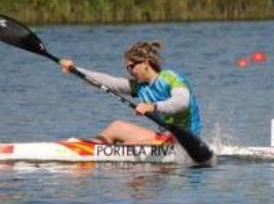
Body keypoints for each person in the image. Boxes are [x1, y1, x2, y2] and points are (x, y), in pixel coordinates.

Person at [59, 41, 202, 145]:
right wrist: (75, 70)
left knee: (130, 146)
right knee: (116, 127)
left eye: (132, 66)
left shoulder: (170, 77)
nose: (130, 71)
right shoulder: (139, 87)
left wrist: (152, 107)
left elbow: (183, 102)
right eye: (127, 68)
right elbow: (106, 81)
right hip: (165, 138)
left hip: (187, 140)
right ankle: (91, 146)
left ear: (145, 63)